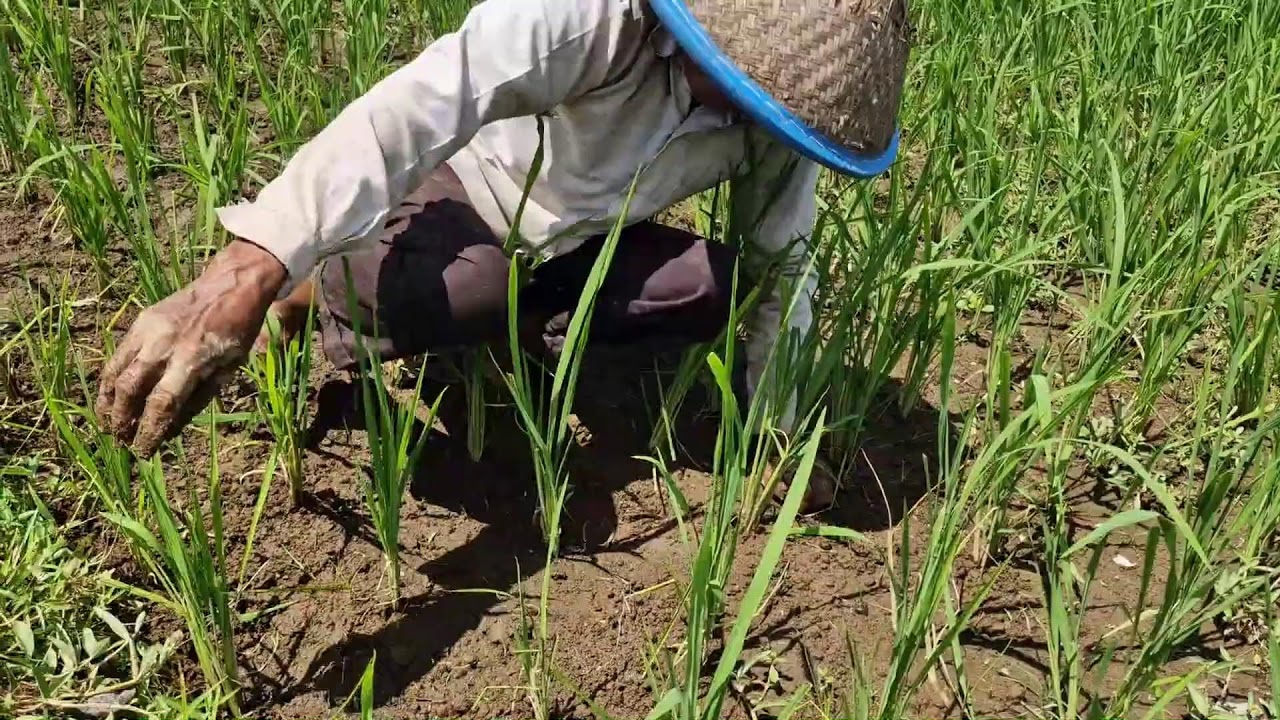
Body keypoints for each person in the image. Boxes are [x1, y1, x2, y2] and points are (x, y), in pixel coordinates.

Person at [94, 0, 910, 511]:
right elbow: (412, 112)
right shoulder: (588, 18)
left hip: (579, 240)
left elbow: (784, 263)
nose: (750, 104)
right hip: (460, 193)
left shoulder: (774, 120)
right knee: (474, 285)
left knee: (714, 284)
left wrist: (774, 435)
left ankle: (511, 338)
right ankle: (307, 297)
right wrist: (247, 270)